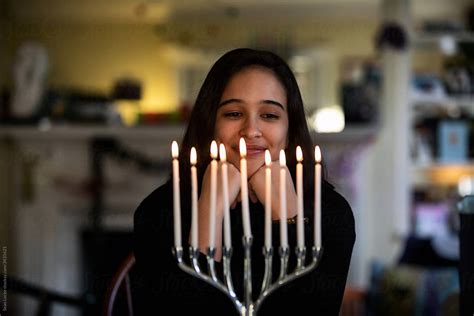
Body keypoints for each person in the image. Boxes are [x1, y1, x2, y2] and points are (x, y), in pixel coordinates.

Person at [133, 48, 355, 315]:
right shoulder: (160, 210)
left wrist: (287, 215)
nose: (251, 130)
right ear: (210, 123)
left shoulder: (329, 211)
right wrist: (209, 212)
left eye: (270, 115)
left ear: (290, 129)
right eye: (233, 114)